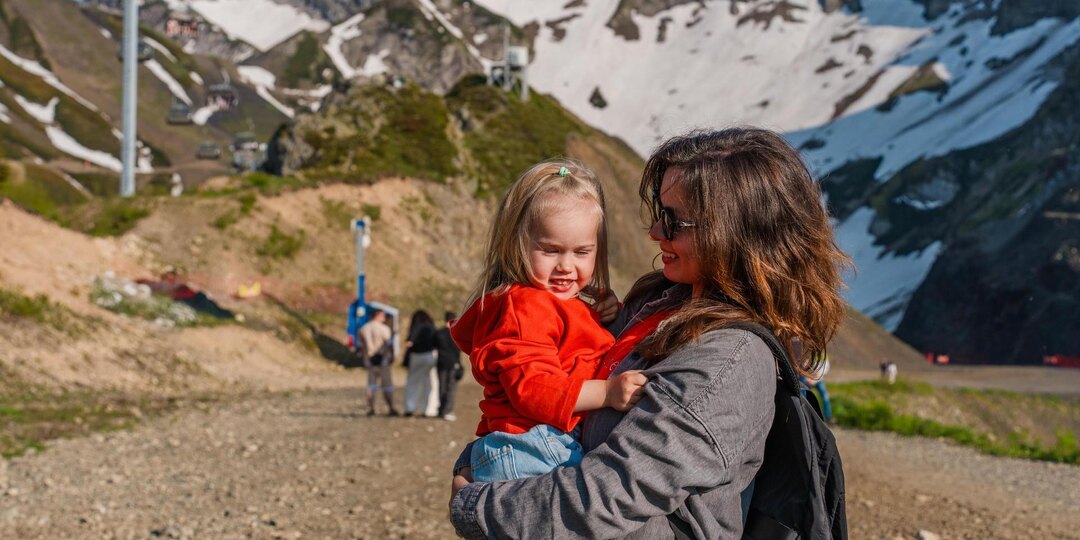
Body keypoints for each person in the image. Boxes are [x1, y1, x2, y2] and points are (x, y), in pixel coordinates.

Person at [449, 127, 850, 538]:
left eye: (675, 221)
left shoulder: (728, 361)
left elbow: (606, 497)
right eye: (660, 212)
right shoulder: (659, 299)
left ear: (734, 230)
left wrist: (475, 504)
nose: (656, 232)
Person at [449, 159, 648, 484]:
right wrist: (608, 392)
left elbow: (567, 349)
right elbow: (534, 389)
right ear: (518, 245)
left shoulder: (554, 303)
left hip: (532, 444)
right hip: (531, 445)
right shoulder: (526, 305)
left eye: (581, 252)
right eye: (551, 250)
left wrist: (600, 319)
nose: (566, 266)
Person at [360, 309, 397, 416]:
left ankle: (370, 408)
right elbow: (389, 344)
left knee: (371, 385)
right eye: (383, 316)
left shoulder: (364, 328)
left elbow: (362, 346)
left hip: (369, 359)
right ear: (378, 316)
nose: (384, 318)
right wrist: (392, 356)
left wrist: (365, 358)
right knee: (387, 385)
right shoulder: (384, 329)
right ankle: (390, 407)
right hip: (382, 359)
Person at [403, 309, 438, 417]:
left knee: (413, 382)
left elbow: (409, 342)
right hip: (430, 355)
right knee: (429, 383)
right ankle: (429, 409)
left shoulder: (417, 326)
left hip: (417, 355)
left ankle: (410, 407)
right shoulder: (431, 326)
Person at [434, 311, 464, 421]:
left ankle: (441, 410)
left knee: (441, 386)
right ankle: (448, 410)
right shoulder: (455, 333)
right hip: (453, 363)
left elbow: (434, 345)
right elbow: (459, 350)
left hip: (441, 362)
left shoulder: (438, 333)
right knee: (451, 387)